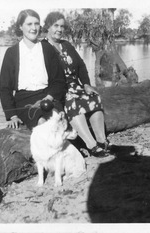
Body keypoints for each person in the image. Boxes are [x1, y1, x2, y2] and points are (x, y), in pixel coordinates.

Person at [43, 11, 110, 158]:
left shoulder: (67, 45)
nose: (59, 30)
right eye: (56, 26)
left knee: (94, 98)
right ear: (47, 26)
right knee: (73, 103)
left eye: (62, 26)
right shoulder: (43, 47)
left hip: (76, 86)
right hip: (58, 90)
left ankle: (101, 140)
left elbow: (80, 65)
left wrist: (86, 84)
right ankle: (91, 145)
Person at [0, 9, 66, 130]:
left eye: (36, 23)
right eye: (29, 24)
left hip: (48, 96)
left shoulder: (47, 49)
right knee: (42, 123)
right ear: (20, 26)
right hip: (24, 101)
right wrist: (12, 115)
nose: (34, 28)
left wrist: (50, 97)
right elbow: (4, 89)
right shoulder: (11, 53)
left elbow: (59, 80)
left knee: (57, 121)